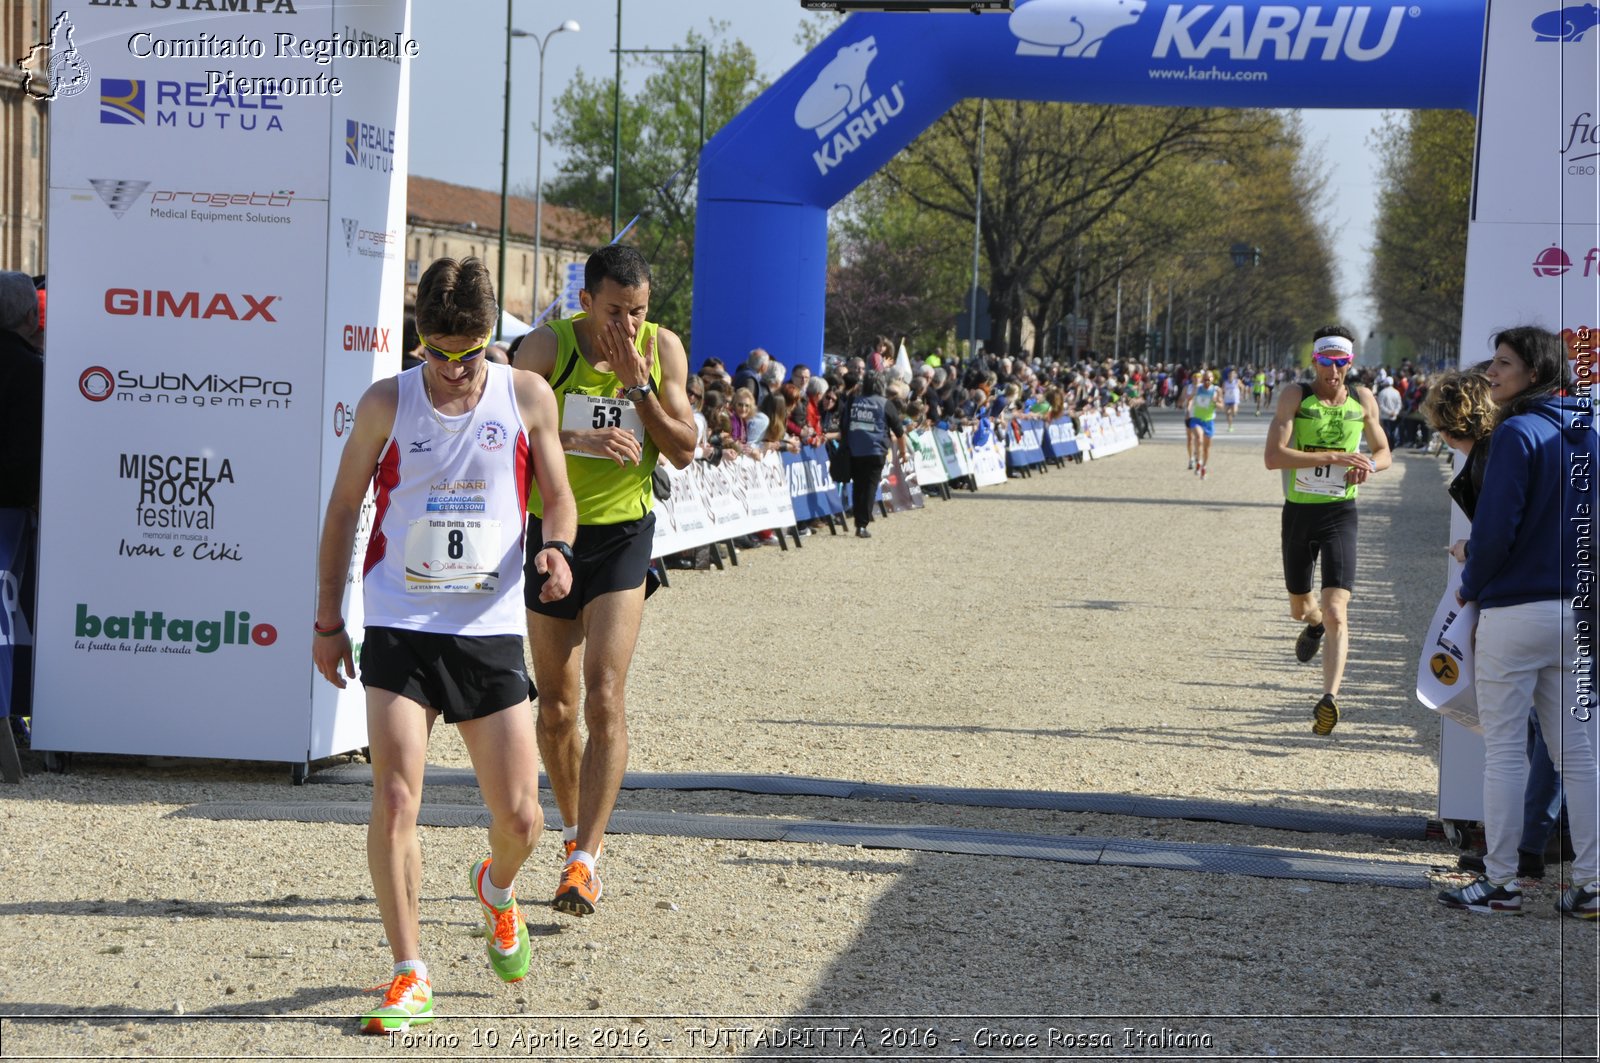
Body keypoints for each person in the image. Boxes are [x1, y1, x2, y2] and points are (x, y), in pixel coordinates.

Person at [313, 257, 577, 1034]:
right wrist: (329, 619)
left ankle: (496, 889)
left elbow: (556, 497)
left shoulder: (526, 395)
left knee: (523, 818)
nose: (456, 371)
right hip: (401, 621)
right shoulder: (385, 402)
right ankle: (409, 971)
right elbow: (340, 514)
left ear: (493, 338)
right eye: (439, 353)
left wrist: (556, 550)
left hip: (489, 628)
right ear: (418, 338)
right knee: (396, 796)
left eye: (471, 353)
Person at [511, 244, 696, 917]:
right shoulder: (544, 349)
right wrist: (578, 441)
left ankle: (587, 858)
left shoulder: (660, 348)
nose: (628, 322)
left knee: (605, 695)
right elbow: (501, 436)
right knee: (555, 707)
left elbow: (683, 446)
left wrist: (639, 387)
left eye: (639, 309)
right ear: (585, 301)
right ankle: (570, 831)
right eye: (616, 310)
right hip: (553, 535)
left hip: (623, 533)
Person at [1437, 326, 1598, 918]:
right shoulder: (1588, 433)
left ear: (1534, 373)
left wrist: (1471, 587)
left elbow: (1497, 530)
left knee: (1505, 751)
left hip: (1515, 611)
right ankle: (1592, 882)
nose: (1491, 373)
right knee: (1576, 753)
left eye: (1503, 364)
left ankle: (1501, 882)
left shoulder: (1514, 434)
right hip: (1575, 614)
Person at [1423, 369, 1570, 882]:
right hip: (1561, 600)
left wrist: (1470, 571)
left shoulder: (1499, 454)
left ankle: (1518, 853)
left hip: (1523, 603)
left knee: (1527, 742)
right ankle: (1549, 847)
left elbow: (1501, 535)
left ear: (1447, 426)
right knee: (1560, 741)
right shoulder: (1532, 439)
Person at [1262, 326, 1391, 735]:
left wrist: (1367, 465)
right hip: (1299, 513)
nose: (1332, 371)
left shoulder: (1362, 399)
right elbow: (1272, 457)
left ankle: (1329, 698)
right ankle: (1312, 625)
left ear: (1349, 364)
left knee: (1338, 610)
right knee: (1302, 607)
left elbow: (1385, 451)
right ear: (1314, 362)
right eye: (1325, 362)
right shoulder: (1295, 396)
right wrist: (1335, 455)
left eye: (1340, 363)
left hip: (1340, 513)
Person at [843, 373, 907, 538]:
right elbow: (900, 432)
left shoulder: (853, 401)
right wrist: (903, 453)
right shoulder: (886, 404)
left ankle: (859, 519)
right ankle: (862, 525)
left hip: (856, 449)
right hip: (876, 450)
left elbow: (844, 425)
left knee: (858, 485)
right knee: (870, 486)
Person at [1184, 369, 1220, 478]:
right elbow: (1188, 399)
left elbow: (1222, 405)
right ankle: (1198, 461)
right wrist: (1191, 397)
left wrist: (1215, 402)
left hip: (1209, 421)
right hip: (1196, 419)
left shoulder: (1216, 391)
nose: (1207, 382)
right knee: (1199, 439)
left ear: (1213, 379)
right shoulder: (1198, 389)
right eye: (1205, 380)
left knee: (1206, 448)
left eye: (1209, 380)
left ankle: (1204, 466)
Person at [1220, 367, 1242, 432]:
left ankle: (1233, 414)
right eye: (1230, 374)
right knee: (1227, 413)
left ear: (1235, 375)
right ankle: (1230, 426)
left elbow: (1242, 387)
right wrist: (1221, 397)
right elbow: (1222, 390)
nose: (1231, 375)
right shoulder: (1225, 382)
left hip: (1235, 399)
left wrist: (1242, 394)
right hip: (1227, 399)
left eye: (1233, 374)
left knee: (1234, 412)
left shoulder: (1237, 381)